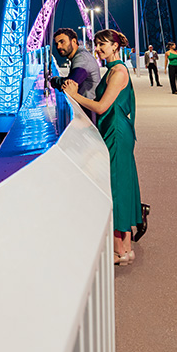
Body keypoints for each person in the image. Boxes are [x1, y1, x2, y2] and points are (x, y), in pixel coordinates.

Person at [62, 28, 142, 265]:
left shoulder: (118, 72)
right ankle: (126, 249)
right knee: (121, 185)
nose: (97, 49)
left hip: (116, 131)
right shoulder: (112, 70)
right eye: (96, 45)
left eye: (102, 45)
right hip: (114, 129)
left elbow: (101, 107)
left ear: (115, 47)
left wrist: (73, 95)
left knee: (115, 187)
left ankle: (119, 250)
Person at [53, 28, 102, 100]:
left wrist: (55, 81)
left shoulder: (82, 58)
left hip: (88, 109)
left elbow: (70, 85)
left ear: (73, 41)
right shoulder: (80, 56)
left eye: (62, 42)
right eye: (56, 44)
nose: (58, 47)